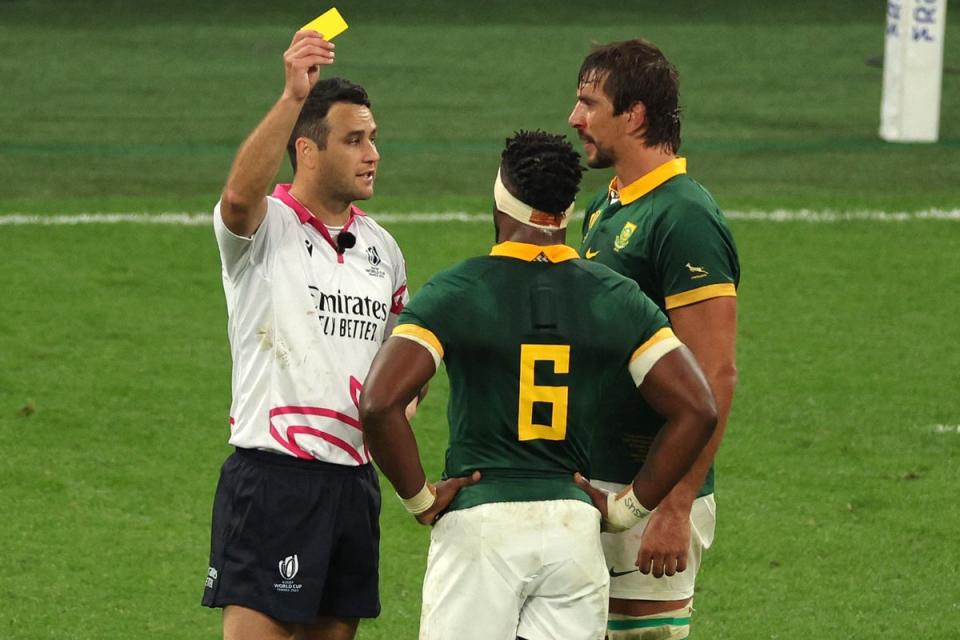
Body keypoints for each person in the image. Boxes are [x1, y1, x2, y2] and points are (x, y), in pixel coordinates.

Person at [358, 130, 718, 640]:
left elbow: (378, 404)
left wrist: (420, 498)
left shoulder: (458, 291)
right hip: (571, 531)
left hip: (480, 530)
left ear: (500, 197)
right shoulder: (617, 297)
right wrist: (627, 508)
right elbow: (698, 407)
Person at [201, 30, 410, 640]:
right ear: (307, 151)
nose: (372, 153)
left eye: (372, 139)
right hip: (275, 479)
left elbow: (395, 368)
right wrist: (293, 93)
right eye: (353, 140)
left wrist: (401, 408)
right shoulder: (266, 229)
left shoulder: (384, 251)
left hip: (352, 484)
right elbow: (238, 197)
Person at [568, 39, 740, 639]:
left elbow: (714, 373)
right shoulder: (604, 207)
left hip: (652, 487)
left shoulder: (684, 217)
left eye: (589, 103)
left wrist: (675, 505)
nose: (575, 118)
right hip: (597, 480)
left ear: (634, 115)